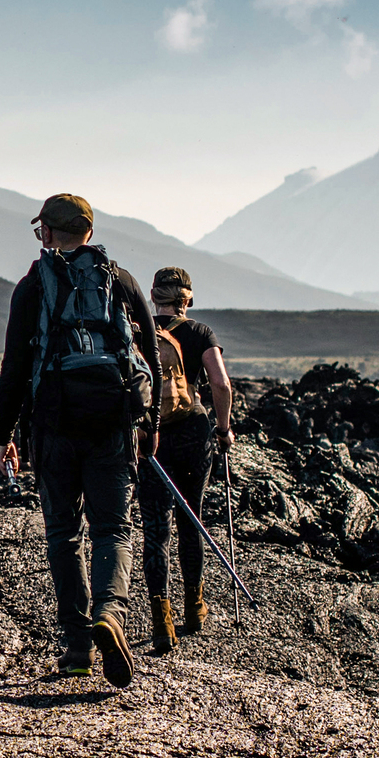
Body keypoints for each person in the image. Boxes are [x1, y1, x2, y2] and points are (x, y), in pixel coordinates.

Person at [0, 193, 167, 687]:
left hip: (54, 426)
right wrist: (149, 424)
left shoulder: (32, 286)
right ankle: (111, 613)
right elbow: (149, 358)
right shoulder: (122, 281)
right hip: (112, 423)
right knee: (113, 527)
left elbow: (14, 368)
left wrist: (3, 435)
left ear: (47, 232)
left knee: (64, 533)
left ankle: (76, 648)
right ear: (88, 230)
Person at [139, 266, 235, 649]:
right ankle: (195, 607)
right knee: (190, 518)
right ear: (187, 299)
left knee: (155, 528)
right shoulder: (199, 333)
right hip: (193, 432)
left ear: (153, 296)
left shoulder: (137, 331)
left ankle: (161, 620)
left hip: (151, 436)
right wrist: (223, 429)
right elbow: (221, 384)